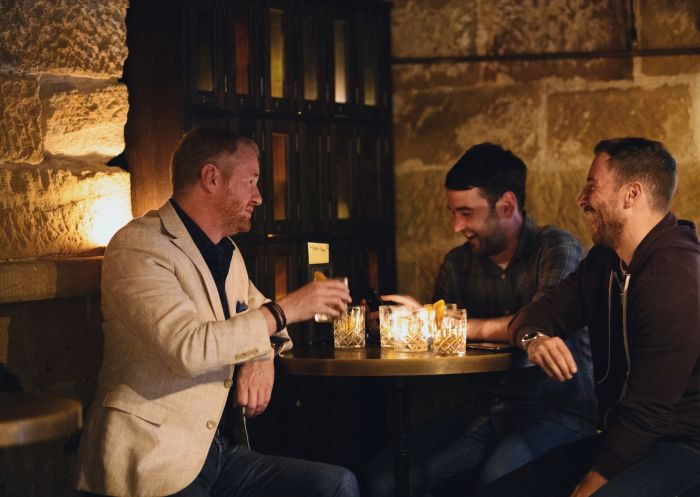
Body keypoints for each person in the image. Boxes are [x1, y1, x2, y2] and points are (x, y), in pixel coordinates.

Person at [76, 128, 360, 497]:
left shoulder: (227, 252)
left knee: (337, 485)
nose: (258, 196)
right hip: (155, 458)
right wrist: (288, 308)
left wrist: (262, 356)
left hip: (222, 454)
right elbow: (188, 348)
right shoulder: (139, 247)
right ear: (211, 178)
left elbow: (267, 326)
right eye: (251, 182)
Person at [366, 143, 597, 497]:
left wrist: (436, 320)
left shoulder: (557, 248)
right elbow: (436, 343)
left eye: (466, 213)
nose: (457, 226)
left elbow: (542, 321)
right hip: (478, 415)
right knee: (383, 479)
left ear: (506, 205)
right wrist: (398, 327)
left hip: (554, 410)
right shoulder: (457, 264)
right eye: (453, 213)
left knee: (500, 480)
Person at [475, 137, 700, 497]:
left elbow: (649, 414)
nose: (581, 198)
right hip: (622, 436)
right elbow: (541, 312)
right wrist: (534, 338)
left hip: (682, 446)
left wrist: (589, 485)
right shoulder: (604, 262)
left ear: (632, 194)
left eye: (592, 186)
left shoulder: (675, 278)